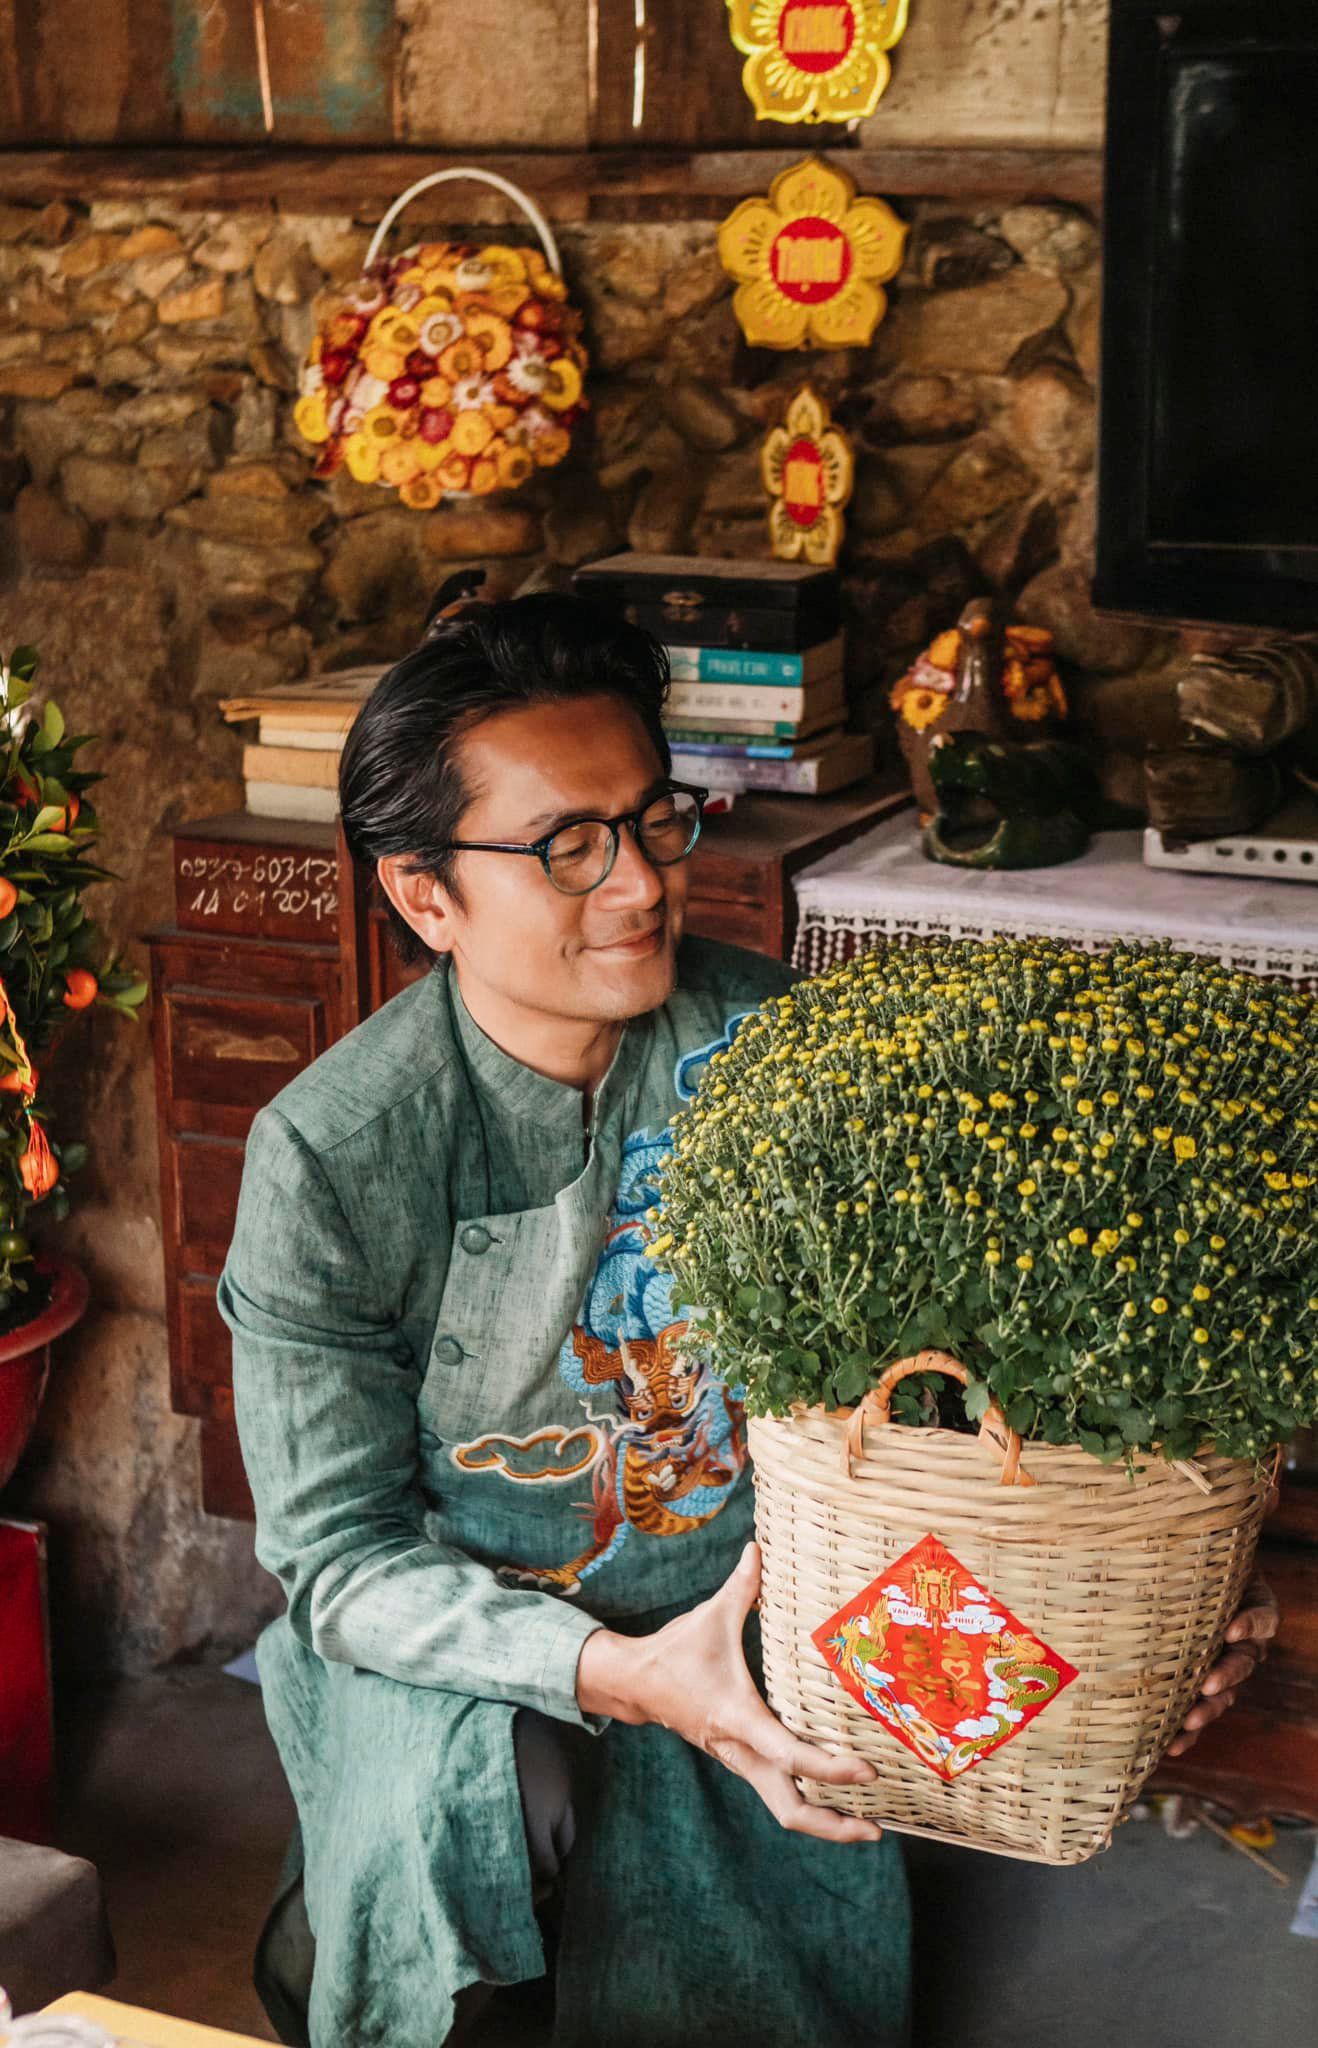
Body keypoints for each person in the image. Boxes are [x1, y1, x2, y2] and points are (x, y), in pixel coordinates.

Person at [219, 591, 1276, 2048]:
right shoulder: (331, 1155)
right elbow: (338, 1565)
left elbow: (971, 1381)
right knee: (486, 1803)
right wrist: (619, 1674)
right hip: (459, 1640)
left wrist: (1157, 1601)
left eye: (653, 821)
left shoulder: (793, 1057)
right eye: (567, 847)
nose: (640, 885)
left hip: (771, 1607)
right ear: (426, 896)